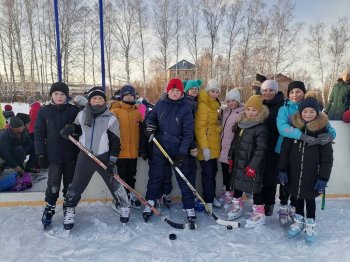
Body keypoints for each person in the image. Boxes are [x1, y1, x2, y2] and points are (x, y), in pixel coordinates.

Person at [60, 86, 130, 230]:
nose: (97, 101)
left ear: (104, 101)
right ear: (90, 100)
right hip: (85, 156)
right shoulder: (82, 115)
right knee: (76, 185)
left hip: (104, 158)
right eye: (94, 98)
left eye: (100, 98)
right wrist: (69, 128)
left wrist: (112, 161)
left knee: (115, 184)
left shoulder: (111, 118)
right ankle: (70, 210)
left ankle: (124, 206)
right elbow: (77, 129)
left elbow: (116, 142)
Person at [276, 80, 336, 225]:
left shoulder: (312, 107)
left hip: (309, 153)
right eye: (291, 92)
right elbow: (282, 127)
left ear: (303, 93)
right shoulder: (285, 108)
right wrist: (302, 136)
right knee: (286, 183)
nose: (295, 94)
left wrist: (330, 136)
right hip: (287, 149)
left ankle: (296, 209)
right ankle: (284, 205)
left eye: (298, 91)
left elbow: (328, 128)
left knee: (301, 183)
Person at [143, 78, 196, 224]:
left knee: (184, 178)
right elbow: (150, 119)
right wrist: (150, 127)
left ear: (181, 92)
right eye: (172, 90)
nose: (175, 92)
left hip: (178, 150)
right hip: (160, 147)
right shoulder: (160, 105)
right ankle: (150, 202)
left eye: (178, 90)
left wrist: (182, 153)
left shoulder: (186, 108)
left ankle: (189, 207)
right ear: (168, 90)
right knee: (155, 177)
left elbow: (188, 134)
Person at [35, 82, 80, 228]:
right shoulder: (44, 111)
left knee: (70, 185)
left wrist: (74, 128)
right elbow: (39, 134)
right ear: (51, 95)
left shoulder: (73, 111)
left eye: (62, 94)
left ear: (66, 96)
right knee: (53, 185)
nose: (59, 97)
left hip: (71, 156)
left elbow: (82, 129)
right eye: (56, 94)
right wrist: (41, 154)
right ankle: (49, 208)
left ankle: (69, 208)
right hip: (53, 156)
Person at [226, 95, 268, 228]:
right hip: (239, 161)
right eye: (248, 109)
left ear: (260, 112)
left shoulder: (260, 128)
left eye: (254, 110)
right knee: (237, 184)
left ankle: (259, 213)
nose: (250, 112)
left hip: (251, 165)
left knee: (254, 188)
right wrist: (230, 157)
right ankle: (237, 205)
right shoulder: (241, 124)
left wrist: (253, 166)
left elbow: (261, 149)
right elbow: (235, 143)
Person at [110, 85, 143, 209]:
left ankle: (130, 196)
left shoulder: (138, 111)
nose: (129, 97)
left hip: (133, 151)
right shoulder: (115, 111)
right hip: (120, 152)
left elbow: (147, 121)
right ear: (122, 96)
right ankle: (121, 198)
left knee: (131, 176)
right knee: (121, 177)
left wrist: (144, 106)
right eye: (126, 95)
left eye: (131, 95)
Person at [195, 79, 221, 212]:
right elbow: (199, 128)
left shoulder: (215, 105)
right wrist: (204, 147)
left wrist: (218, 127)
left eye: (217, 91)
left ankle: (211, 196)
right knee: (207, 173)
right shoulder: (203, 105)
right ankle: (208, 200)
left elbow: (213, 124)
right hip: (206, 145)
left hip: (214, 144)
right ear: (207, 91)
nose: (215, 93)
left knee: (213, 172)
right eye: (212, 91)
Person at [259, 80, 285, 216]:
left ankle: (269, 204)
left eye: (271, 90)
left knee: (270, 177)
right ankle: (258, 203)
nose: (267, 92)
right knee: (259, 176)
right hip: (259, 146)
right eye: (265, 90)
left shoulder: (282, 105)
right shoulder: (259, 103)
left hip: (275, 146)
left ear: (276, 91)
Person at [216, 88, 244, 211]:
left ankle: (233, 196)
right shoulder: (225, 111)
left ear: (238, 101)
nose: (231, 103)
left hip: (233, 149)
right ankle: (226, 192)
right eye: (229, 100)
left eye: (233, 100)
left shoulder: (242, 113)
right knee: (225, 172)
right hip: (223, 148)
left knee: (233, 174)